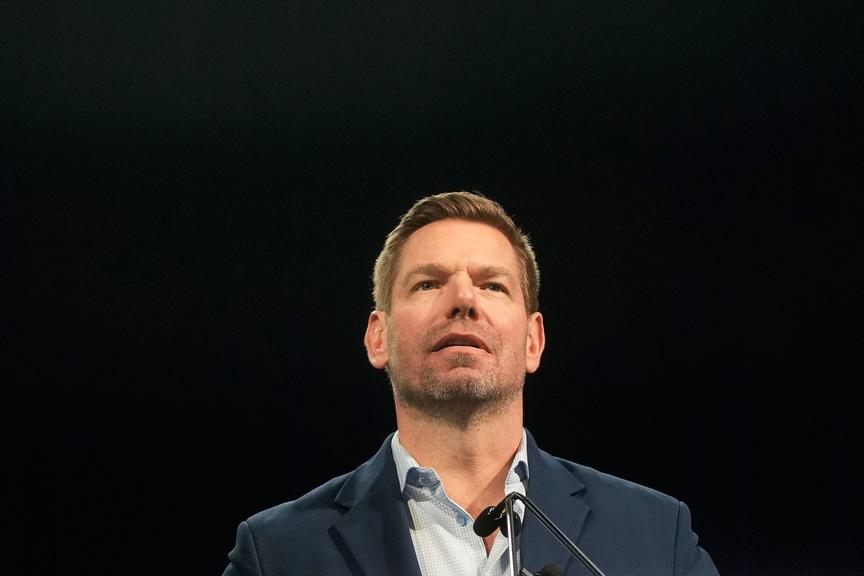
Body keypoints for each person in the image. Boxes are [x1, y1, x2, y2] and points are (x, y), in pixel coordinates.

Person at [223, 191, 720, 576]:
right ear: (378, 338)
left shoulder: (659, 536)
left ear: (533, 340)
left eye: (492, 285)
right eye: (428, 283)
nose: (463, 299)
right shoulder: (278, 552)